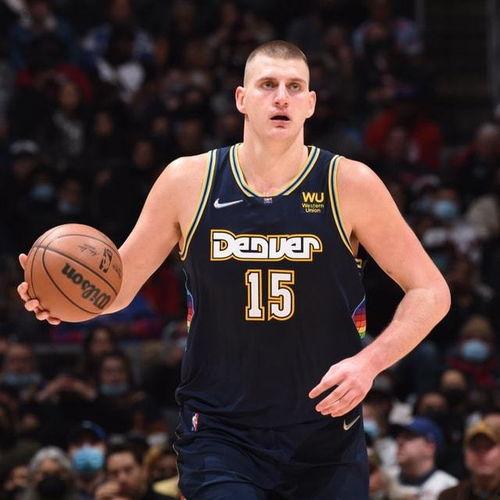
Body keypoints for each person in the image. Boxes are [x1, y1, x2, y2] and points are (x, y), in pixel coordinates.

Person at [18, 40, 451, 499]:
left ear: (310, 104)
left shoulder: (349, 184)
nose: (281, 97)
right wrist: (63, 300)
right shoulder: (187, 181)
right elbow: (118, 287)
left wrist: (370, 363)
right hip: (221, 433)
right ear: (241, 98)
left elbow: (431, 290)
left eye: (294, 87)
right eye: (268, 84)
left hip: (326, 435)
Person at [388, 417, 458, 499]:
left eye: (408, 437)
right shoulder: (383, 480)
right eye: (398, 437)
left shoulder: (449, 487)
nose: (399, 442)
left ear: (430, 447)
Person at [438, 413, 500, 500]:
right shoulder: (450, 496)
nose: (481, 454)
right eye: (475, 447)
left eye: (488, 447)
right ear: (465, 454)